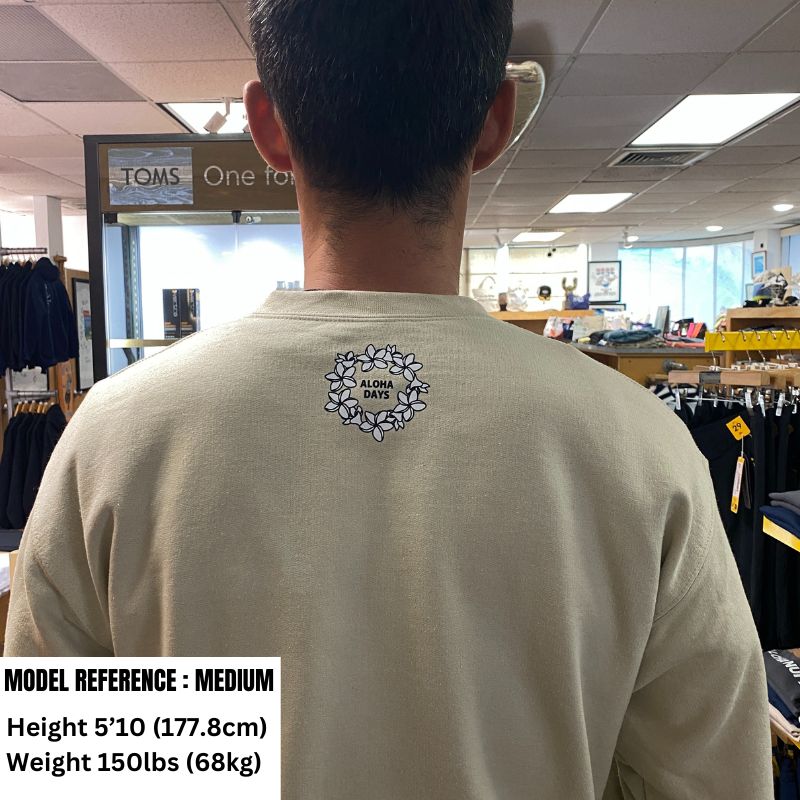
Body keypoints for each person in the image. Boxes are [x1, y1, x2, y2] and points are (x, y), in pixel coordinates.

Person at [6, 0, 772, 797]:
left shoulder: (116, 439)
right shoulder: (641, 447)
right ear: (496, 122)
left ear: (266, 127)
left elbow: (62, 776)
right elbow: (711, 780)